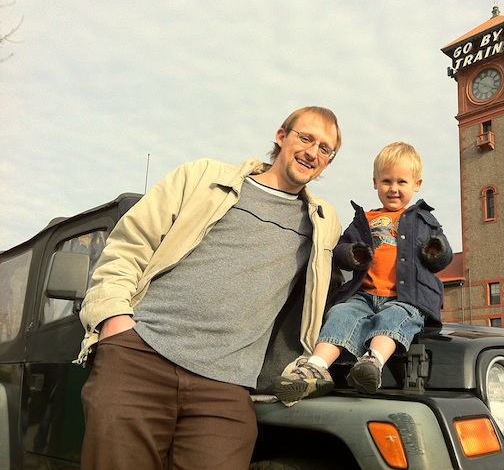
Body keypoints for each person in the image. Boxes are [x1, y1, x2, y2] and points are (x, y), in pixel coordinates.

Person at [76, 106, 342, 469]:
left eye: (326, 148)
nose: (313, 152)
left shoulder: (323, 223)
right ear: (281, 137)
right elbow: (129, 245)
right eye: (306, 138)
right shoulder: (202, 178)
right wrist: (114, 321)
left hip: (225, 388)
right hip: (140, 357)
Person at [273, 142, 452, 403]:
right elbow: (342, 249)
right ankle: (316, 368)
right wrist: (351, 254)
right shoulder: (364, 219)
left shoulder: (424, 220)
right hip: (364, 294)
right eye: (387, 181)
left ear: (417, 184)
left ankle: (372, 363)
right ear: (375, 182)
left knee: (394, 318)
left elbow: (441, 259)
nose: (393, 188)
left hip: (406, 297)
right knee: (340, 313)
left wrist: (436, 249)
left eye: (402, 182)